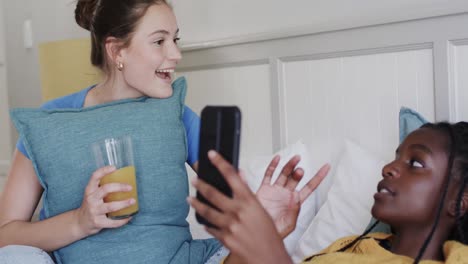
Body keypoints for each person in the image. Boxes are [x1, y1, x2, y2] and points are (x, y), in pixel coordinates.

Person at [0, 1, 330, 263]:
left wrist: (262, 220)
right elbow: (6, 235)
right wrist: (80, 221)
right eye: (159, 41)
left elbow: (231, 216)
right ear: (117, 51)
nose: (175, 54)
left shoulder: (181, 117)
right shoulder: (47, 122)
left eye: (175, 39)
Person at [190, 122, 468, 263]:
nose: (389, 168)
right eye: (396, 158)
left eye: (416, 163)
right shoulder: (353, 245)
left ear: (459, 201)